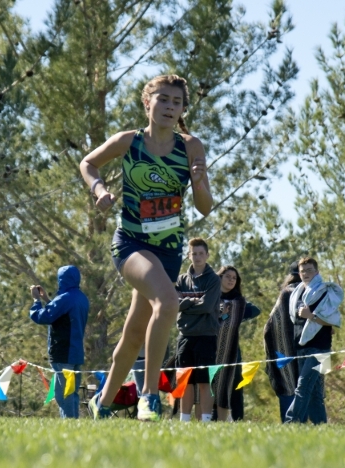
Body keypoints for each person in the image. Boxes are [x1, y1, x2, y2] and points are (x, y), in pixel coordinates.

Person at [80, 75, 212, 421]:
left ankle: (102, 403)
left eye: (176, 102)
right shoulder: (129, 142)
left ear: (183, 108)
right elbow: (88, 163)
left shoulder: (191, 147)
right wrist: (99, 191)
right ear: (147, 103)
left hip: (168, 250)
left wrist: (198, 182)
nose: (170, 107)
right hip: (132, 245)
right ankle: (149, 396)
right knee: (168, 302)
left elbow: (205, 207)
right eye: (163, 99)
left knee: (136, 331)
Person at [285, 257, 344, 424]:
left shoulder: (325, 291)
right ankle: (321, 426)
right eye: (302, 271)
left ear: (317, 272)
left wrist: (311, 316)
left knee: (303, 387)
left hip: (320, 348)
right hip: (300, 347)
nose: (305, 274)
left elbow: (334, 320)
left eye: (309, 270)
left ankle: (291, 423)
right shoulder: (297, 293)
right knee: (315, 392)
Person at [29, 265, 89, 419]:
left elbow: (42, 317)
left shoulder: (64, 298)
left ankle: (69, 425)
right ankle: (72, 422)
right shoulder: (82, 298)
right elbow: (62, 316)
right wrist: (47, 300)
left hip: (63, 353)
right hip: (76, 353)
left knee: (64, 394)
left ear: (61, 279)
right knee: (71, 392)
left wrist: (36, 301)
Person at [175, 237, 221, 422]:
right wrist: (191, 301)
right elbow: (173, 304)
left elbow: (207, 306)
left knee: (204, 382)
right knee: (185, 381)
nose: (198, 257)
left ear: (207, 255)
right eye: (194, 253)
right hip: (185, 336)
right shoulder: (181, 280)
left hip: (206, 336)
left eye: (201, 253)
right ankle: (184, 421)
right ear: (189, 255)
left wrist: (185, 303)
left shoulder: (213, 280)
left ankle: (206, 421)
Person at [264, 261, 301, 422]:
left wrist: (274, 350)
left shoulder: (286, 293)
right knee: (309, 389)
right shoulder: (316, 292)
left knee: (288, 388)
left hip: (284, 353)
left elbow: (270, 326)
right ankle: (315, 425)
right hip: (312, 350)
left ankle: (290, 425)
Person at [213, 266, 246, 421]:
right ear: (219, 277)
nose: (231, 280)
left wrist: (222, 316)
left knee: (234, 386)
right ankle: (211, 418)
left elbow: (230, 321)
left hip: (230, 350)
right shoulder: (211, 296)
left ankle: (237, 419)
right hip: (211, 347)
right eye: (228, 276)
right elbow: (208, 320)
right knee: (212, 385)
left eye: (234, 278)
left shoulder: (238, 300)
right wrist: (221, 315)